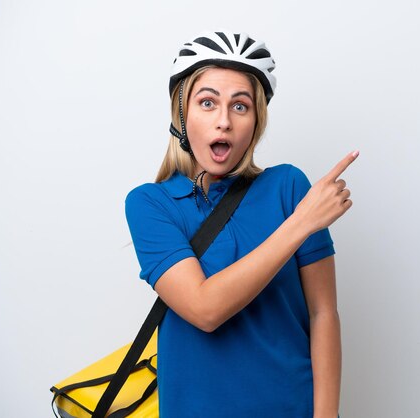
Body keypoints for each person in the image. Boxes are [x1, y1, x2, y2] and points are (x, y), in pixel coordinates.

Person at [125, 30, 358, 418]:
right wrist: (300, 224)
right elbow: (205, 309)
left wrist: (326, 416)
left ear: (255, 121)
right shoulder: (150, 204)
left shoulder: (287, 187)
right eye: (207, 103)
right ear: (182, 115)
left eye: (240, 106)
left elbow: (324, 313)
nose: (223, 122)